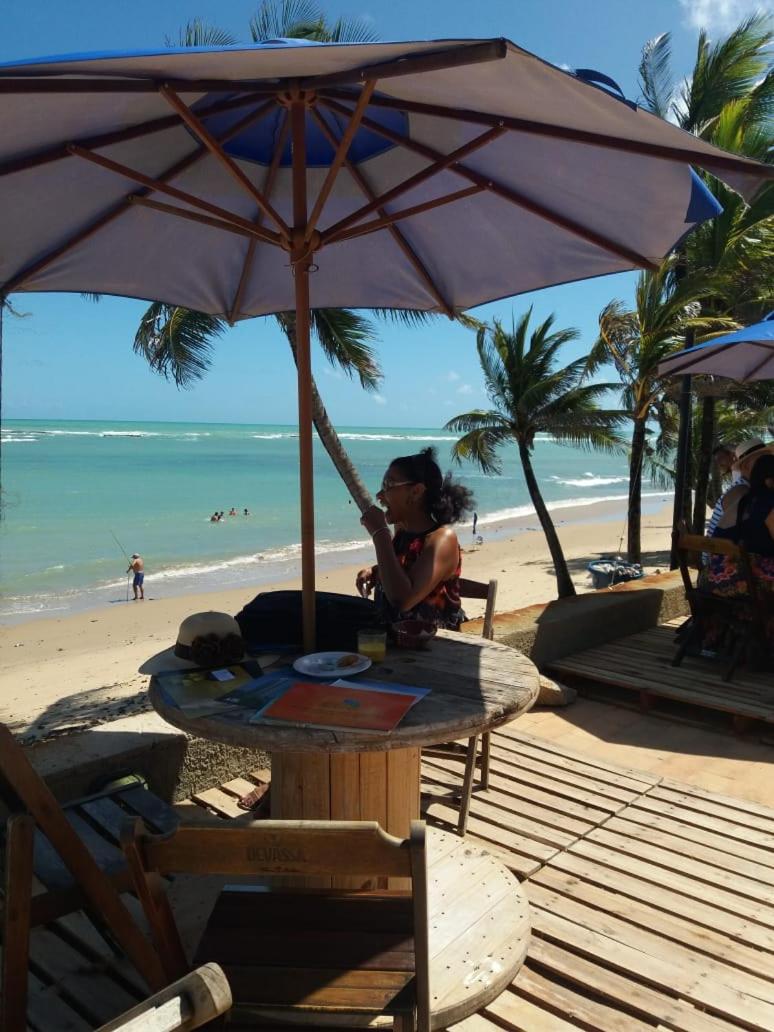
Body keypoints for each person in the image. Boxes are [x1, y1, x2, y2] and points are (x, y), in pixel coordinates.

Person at [356, 447, 474, 630]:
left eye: (388, 485)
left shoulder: (442, 539)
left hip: (434, 643)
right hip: (395, 639)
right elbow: (407, 571)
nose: (379, 495)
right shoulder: (403, 534)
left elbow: (402, 600)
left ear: (416, 491)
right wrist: (376, 571)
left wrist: (380, 534)